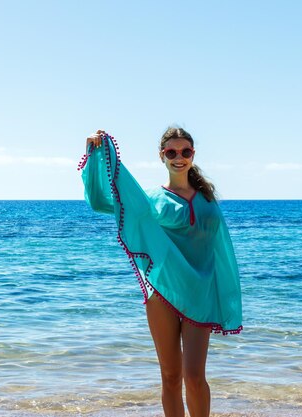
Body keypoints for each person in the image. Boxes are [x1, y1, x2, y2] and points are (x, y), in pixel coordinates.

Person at [78, 127, 243, 417]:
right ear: (161, 156)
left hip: (199, 295)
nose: (178, 158)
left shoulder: (207, 198)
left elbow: (219, 253)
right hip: (162, 293)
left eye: (185, 152)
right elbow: (102, 201)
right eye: (171, 152)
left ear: (193, 155)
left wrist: (222, 293)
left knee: (194, 377)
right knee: (170, 376)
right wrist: (95, 156)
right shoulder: (151, 198)